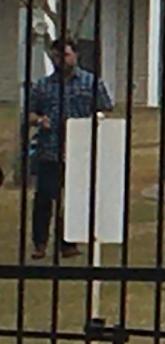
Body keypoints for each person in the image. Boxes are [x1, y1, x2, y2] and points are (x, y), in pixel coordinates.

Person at [24, 36, 112, 259]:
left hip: (80, 152)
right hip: (49, 149)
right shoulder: (42, 85)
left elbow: (105, 109)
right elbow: (30, 113)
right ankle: (40, 243)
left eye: (65, 55)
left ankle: (68, 243)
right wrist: (39, 120)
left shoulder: (91, 83)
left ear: (75, 55)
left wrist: (95, 123)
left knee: (74, 199)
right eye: (56, 56)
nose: (60, 60)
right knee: (44, 198)